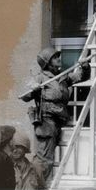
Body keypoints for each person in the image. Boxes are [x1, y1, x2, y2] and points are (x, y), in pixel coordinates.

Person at [21, 47, 89, 181]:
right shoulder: (40, 78)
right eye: (55, 57)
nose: (59, 59)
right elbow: (25, 96)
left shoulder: (62, 76)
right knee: (44, 160)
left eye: (58, 56)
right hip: (46, 122)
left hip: (59, 121)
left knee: (49, 160)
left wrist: (85, 67)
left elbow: (81, 76)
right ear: (47, 62)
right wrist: (33, 88)